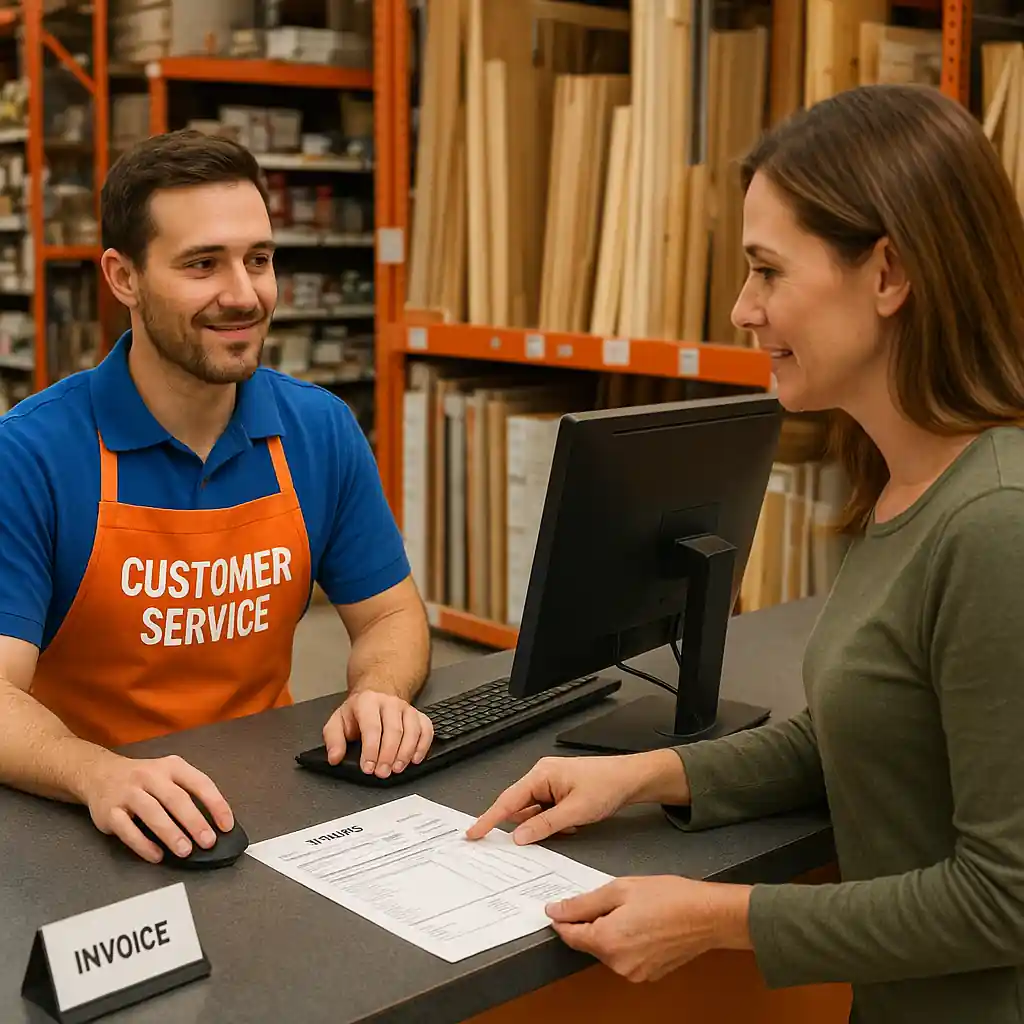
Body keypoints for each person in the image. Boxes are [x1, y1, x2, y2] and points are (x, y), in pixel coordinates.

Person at [468, 83, 1024, 1024]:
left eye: (768, 271)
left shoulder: (997, 523)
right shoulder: (905, 481)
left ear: (887, 275)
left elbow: (1004, 899)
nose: (740, 308)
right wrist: (643, 775)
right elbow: (865, 735)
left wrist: (721, 918)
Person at [0, 130, 434, 865]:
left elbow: (390, 613)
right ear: (122, 277)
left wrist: (380, 692)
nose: (244, 294)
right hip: (90, 818)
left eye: (258, 260)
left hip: (271, 800)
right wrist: (94, 770)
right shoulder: (32, 454)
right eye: (203, 264)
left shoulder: (318, 429)